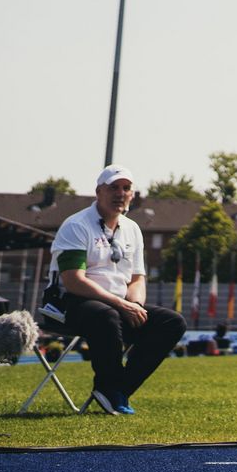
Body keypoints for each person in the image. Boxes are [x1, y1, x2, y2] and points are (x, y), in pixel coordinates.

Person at [48, 165, 186, 415]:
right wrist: (120, 305)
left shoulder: (132, 228)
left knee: (172, 322)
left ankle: (119, 389)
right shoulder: (76, 225)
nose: (120, 193)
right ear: (99, 192)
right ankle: (109, 388)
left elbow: (137, 278)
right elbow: (72, 280)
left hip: (115, 305)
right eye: (113, 187)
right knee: (106, 315)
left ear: (133, 194)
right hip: (70, 302)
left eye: (126, 188)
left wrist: (135, 305)